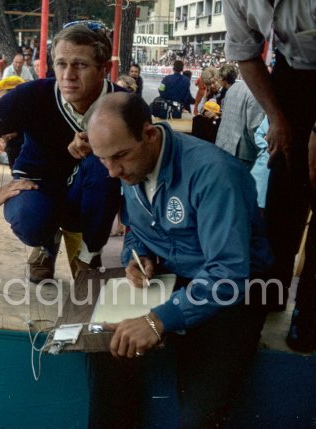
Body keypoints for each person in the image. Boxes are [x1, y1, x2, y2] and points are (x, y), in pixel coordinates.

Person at [87, 92, 273, 428]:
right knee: (108, 359)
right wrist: (138, 255)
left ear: (150, 134)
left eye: (120, 156)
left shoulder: (213, 174)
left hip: (233, 295)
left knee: (198, 418)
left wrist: (159, 321)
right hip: (171, 282)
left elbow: (229, 272)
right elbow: (138, 229)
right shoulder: (131, 168)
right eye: (103, 160)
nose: (112, 171)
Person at [0, 23, 123, 283]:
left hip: (88, 194)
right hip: (39, 185)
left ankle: (90, 254)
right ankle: (45, 243)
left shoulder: (124, 104)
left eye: (81, 65)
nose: (68, 75)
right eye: (61, 64)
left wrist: (100, 145)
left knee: (103, 166)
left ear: (104, 69)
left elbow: (149, 165)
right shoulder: (34, 95)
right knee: (30, 221)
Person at [223, 0, 316, 351]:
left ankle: (309, 314)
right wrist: (276, 118)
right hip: (291, 75)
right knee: (281, 198)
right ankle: (268, 297)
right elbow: (246, 54)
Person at [215, 64, 265, 170]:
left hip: (223, 145)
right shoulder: (256, 93)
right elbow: (254, 128)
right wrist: (263, 149)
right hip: (242, 152)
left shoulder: (234, 88)